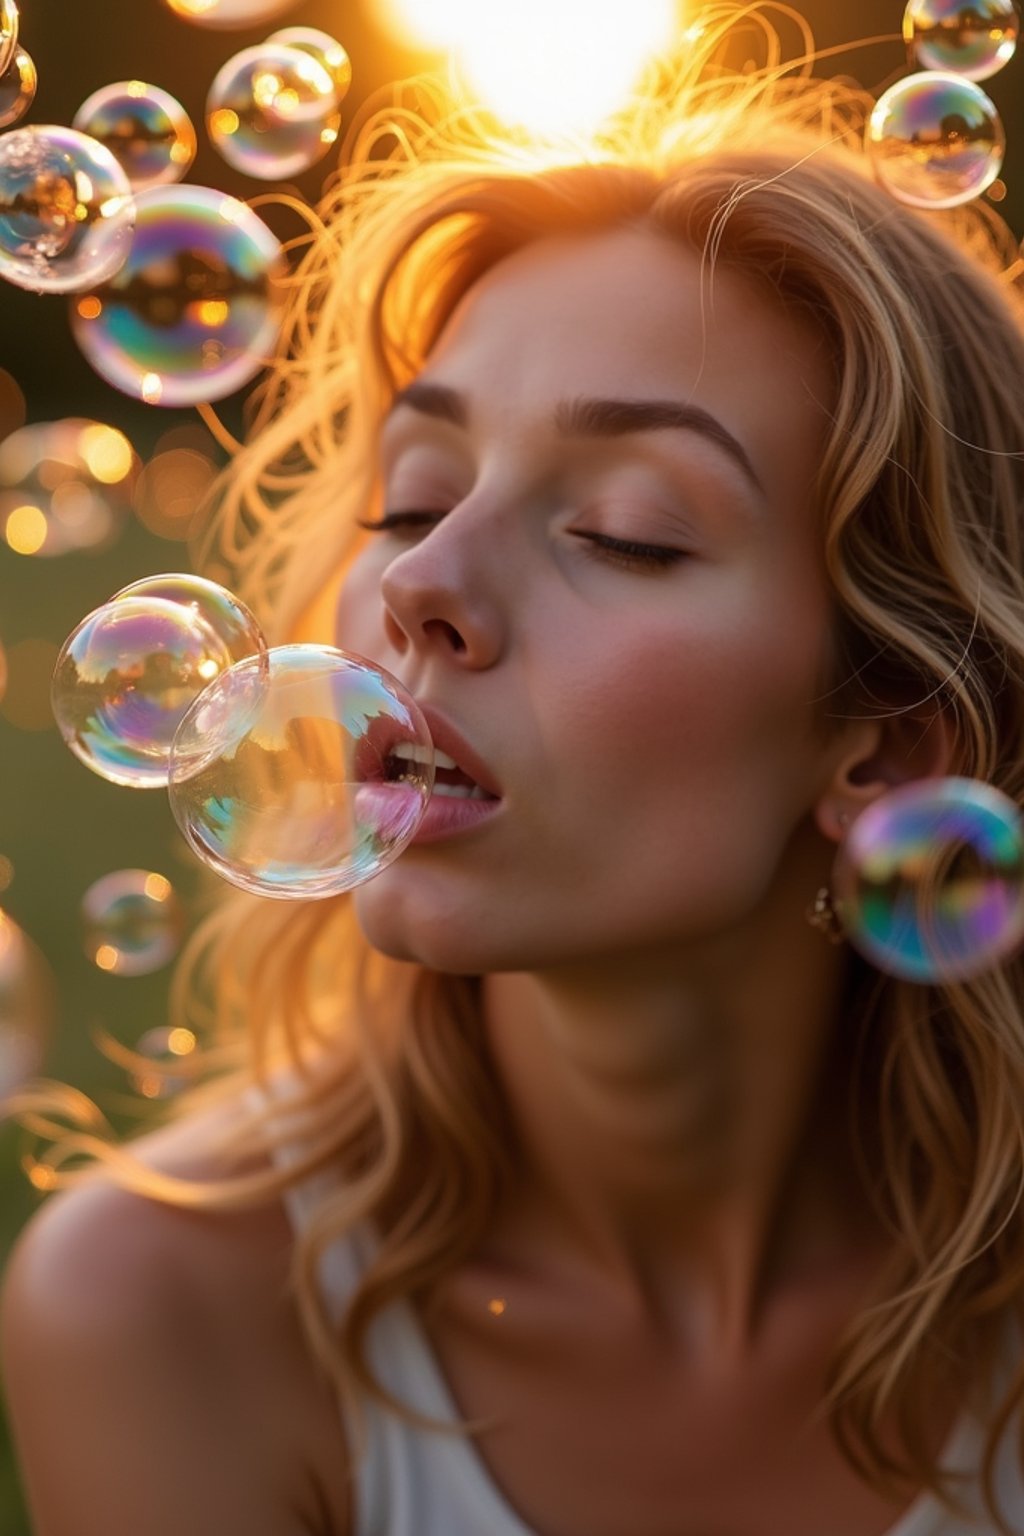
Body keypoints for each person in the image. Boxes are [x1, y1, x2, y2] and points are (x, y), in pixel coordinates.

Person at [3, 4, 1024, 1532]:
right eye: (414, 499)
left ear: (893, 743)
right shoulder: (168, 1313)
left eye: (625, 528)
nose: (425, 586)